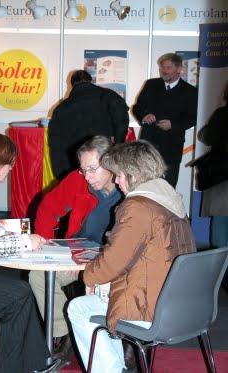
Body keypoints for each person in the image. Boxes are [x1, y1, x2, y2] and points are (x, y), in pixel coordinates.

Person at [68, 140, 196, 373]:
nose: (116, 180)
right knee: (100, 298)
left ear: (132, 173)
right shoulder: (171, 200)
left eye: (119, 175)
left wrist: (87, 276)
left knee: (78, 307)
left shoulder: (138, 206)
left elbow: (112, 264)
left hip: (152, 308)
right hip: (183, 306)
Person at [0, 133, 60, 373]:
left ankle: (32, 365)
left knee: (21, 293)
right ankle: (19, 367)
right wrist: (24, 241)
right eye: (10, 163)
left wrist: (8, 234)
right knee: (18, 297)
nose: (11, 168)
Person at [29, 135, 123, 362]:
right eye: (83, 170)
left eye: (92, 169)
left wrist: (91, 267)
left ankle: (119, 337)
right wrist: (48, 246)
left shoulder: (129, 187)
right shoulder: (77, 180)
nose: (87, 177)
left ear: (110, 163)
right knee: (38, 276)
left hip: (111, 261)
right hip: (77, 254)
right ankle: (67, 334)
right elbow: (48, 209)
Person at [48, 69, 129, 180]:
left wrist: (61, 175)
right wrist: (117, 143)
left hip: (74, 164)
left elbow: (55, 143)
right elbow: (122, 118)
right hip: (104, 158)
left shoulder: (62, 108)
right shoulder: (108, 96)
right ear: (91, 81)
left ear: (72, 85)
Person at [132, 53, 198, 188]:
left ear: (179, 69)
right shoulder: (151, 84)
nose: (164, 71)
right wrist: (144, 115)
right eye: (162, 68)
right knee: (145, 185)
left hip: (171, 146)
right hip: (149, 143)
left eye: (168, 67)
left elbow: (193, 117)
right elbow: (137, 107)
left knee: (168, 186)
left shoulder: (190, 91)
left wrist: (173, 125)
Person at [198, 81, 228, 248]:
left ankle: (220, 270)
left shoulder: (221, 113)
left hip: (220, 175)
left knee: (220, 229)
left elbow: (206, 137)